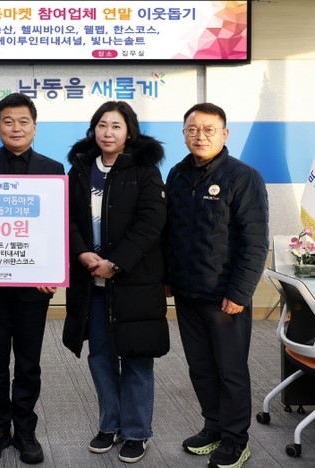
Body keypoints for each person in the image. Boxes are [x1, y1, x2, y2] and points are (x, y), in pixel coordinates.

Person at [62, 101, 169, 464]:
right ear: (93, 129)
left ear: (129, 132)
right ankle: (109, 425)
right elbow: (67, 218)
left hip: (133, 282)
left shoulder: (145, 171)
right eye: (102, 125)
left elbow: (151, 224)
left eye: (116, 126)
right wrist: (82, 253)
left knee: (136, 358)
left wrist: (115, 263)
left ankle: (137, 432)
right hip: (90, 282)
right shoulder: (80, 169)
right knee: (101, 358)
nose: (108, 133)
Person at [166, 103, 269, 468]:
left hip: (225, 297)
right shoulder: (177, 175)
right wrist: (167, 278)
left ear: (225, 134)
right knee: (201, 367)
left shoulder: (243, 177)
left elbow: (255, 242)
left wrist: (239, 293)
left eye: (209, 130)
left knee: (230, 370)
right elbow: (170, 232)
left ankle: (236, 439)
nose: (200, 136)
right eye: (193, 129)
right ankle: (213, 427)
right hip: (187, 292)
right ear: (184, 133)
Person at [0, 93, 64, 465]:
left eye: (23, 121)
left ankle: (25, 430)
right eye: (8, 121)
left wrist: (54, 270)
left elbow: (59, 225)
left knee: (28, 363)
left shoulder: (53, 168)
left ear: (35, 127)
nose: (16, 128)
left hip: (33, 287)